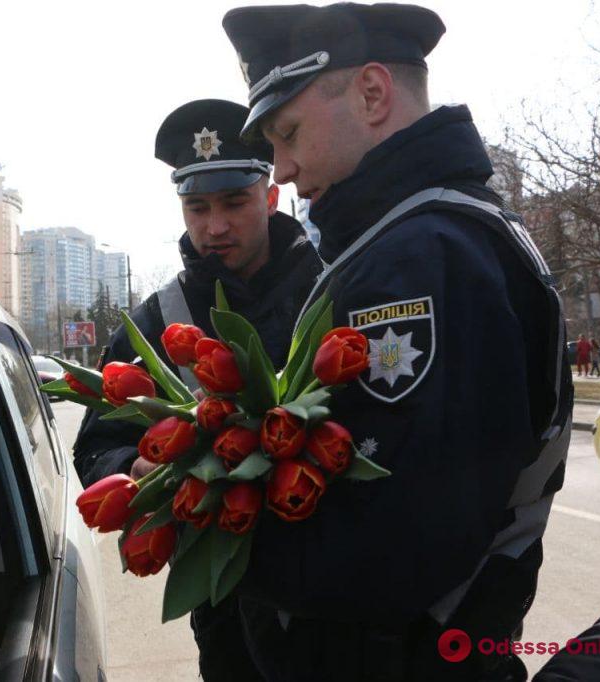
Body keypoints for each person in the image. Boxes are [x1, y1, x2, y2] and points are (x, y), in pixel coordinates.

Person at [222, 3, 573, 680]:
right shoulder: (424, 236)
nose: (282, 169)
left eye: (287, 133)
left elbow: (393, 544)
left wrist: (219, 533)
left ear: (373, 93)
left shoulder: (423, 256)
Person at [71, 98, 322, 681]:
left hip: (339, 589)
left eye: (234, 203)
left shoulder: (332, 285)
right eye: (196, 207)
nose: (214, 227)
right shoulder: (159, 319)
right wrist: (137, 467)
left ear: (270, 196)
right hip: (224, 601)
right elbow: (96, 443)